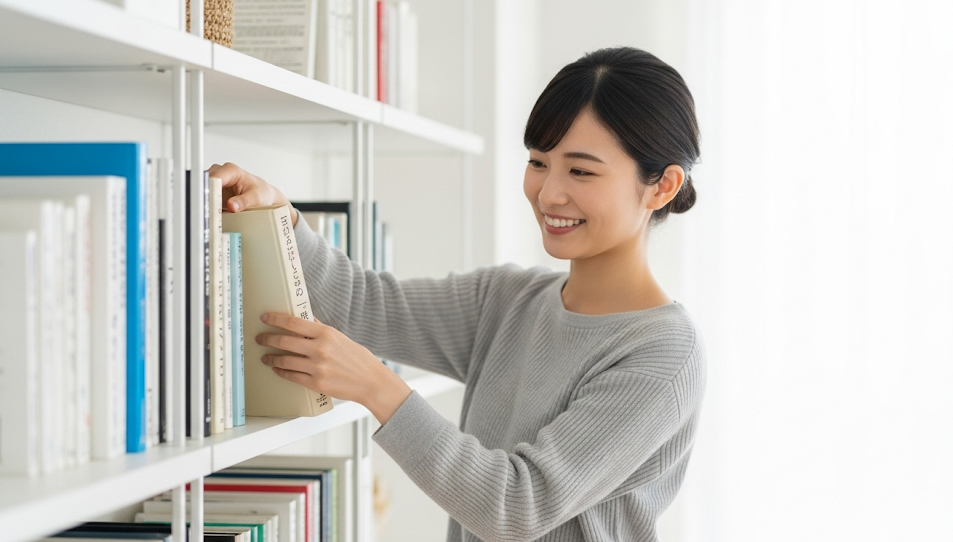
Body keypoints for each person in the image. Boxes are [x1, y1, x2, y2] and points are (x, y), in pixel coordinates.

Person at [210, 46, 705, 542]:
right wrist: (281, 218)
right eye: (538, 162)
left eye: (581, 171)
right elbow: (363, 306)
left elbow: (516, 506)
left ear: (661, 186)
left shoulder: (662, 353)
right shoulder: (509, 299)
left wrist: (374, 385)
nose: (549, 193)